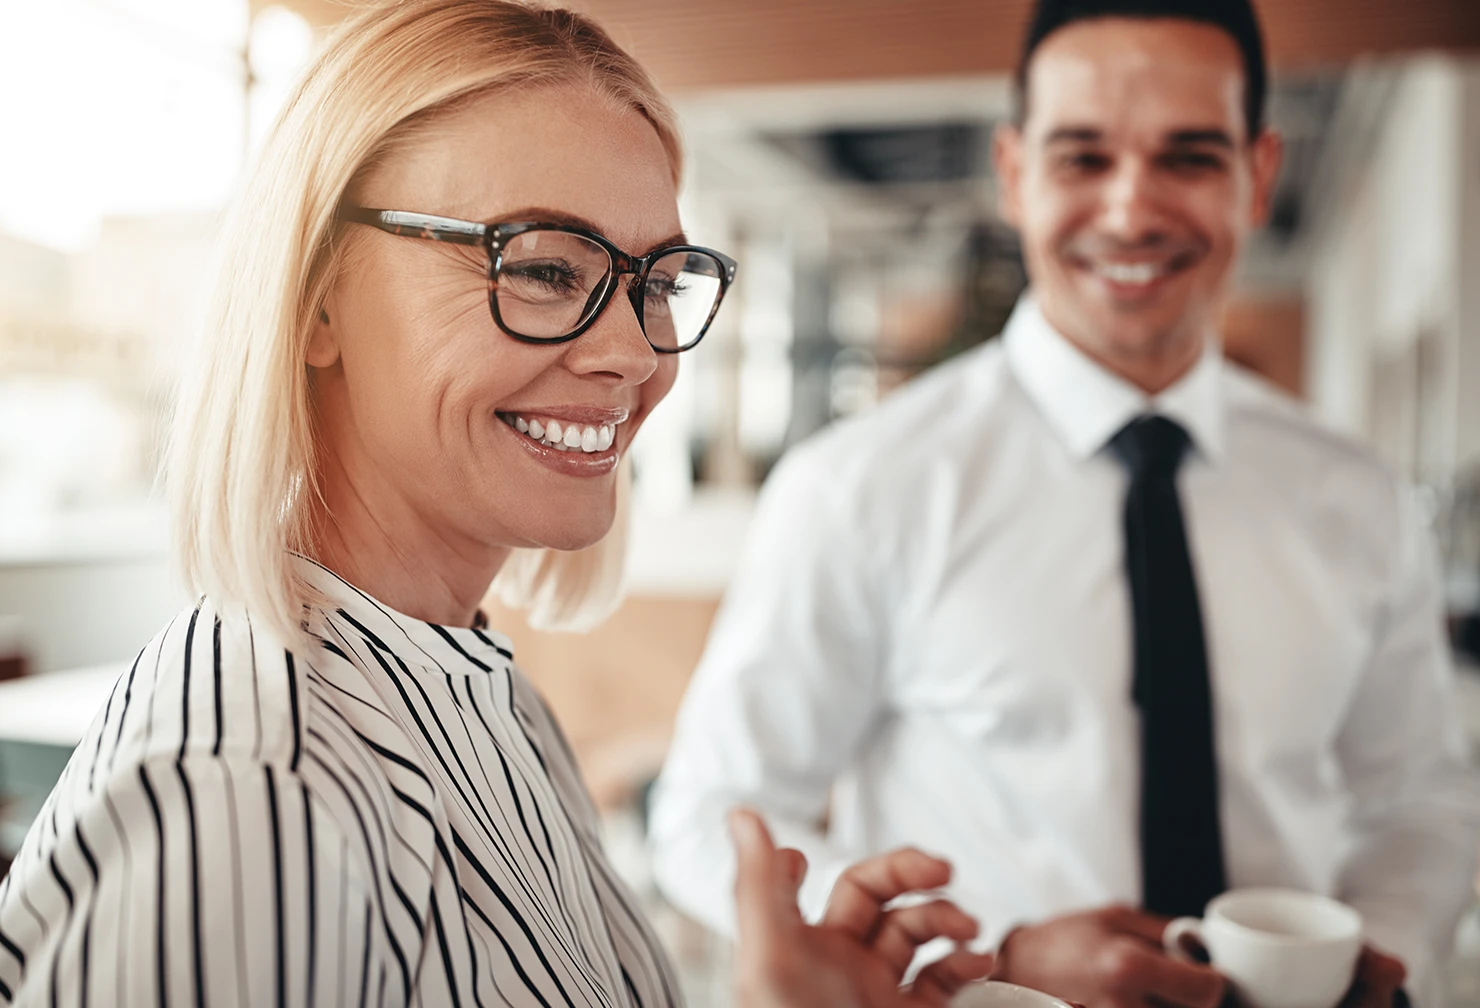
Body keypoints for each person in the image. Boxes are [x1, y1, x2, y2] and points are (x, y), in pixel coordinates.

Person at [0, 3, 997, 1005]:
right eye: (545, 269)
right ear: (316, 300)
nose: (635, 355)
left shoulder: (482, 690)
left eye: (654, 282)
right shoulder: (250, 794)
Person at [649, 1, 1480, 1006]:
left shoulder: (1356, 495)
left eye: (1188, 157)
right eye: (1083, 158)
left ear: (1257, 176)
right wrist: (976, 957)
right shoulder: (860, 487)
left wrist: (1378, 954)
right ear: (1013, 173)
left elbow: (1419, 801)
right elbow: (710, 816)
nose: (1131, 211)